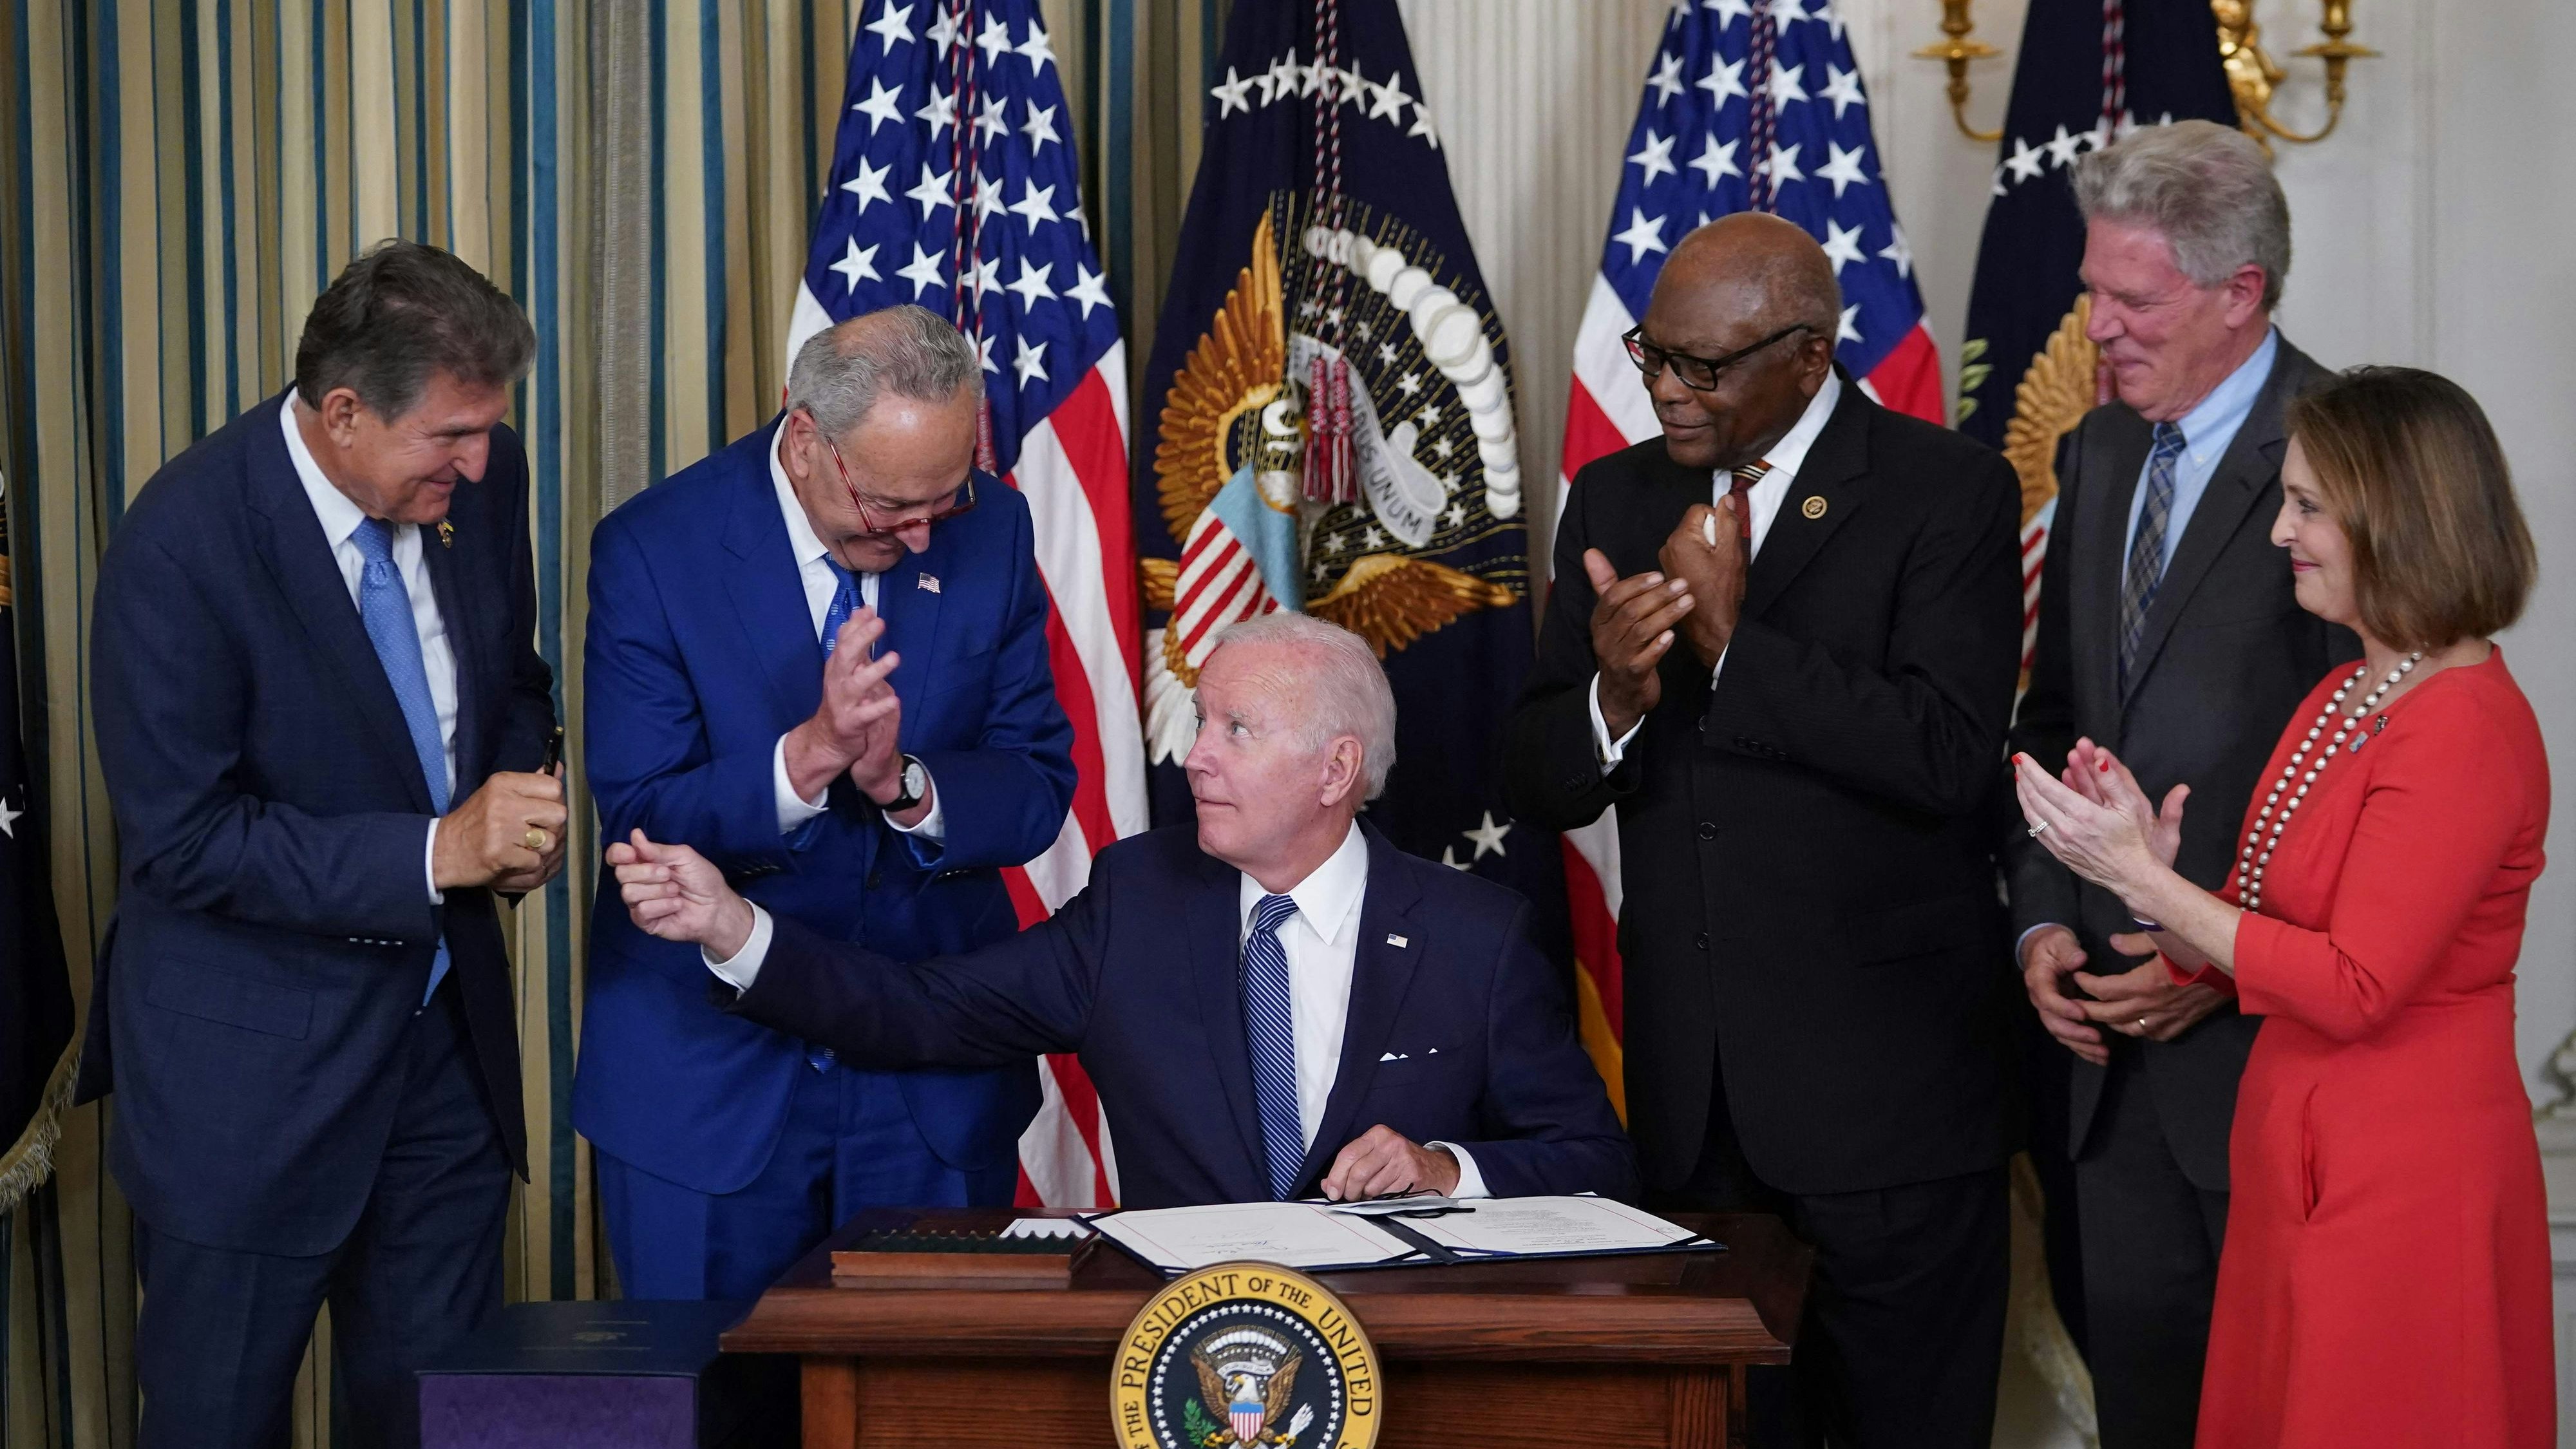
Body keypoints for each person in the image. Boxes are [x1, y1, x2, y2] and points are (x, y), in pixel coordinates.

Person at [1499, 213, 2023, 1448]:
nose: (1670, 391)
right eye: (1653, 355)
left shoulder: (1946, 491)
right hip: (1698, 1117)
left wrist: (1737, 653)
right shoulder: (1619, 496)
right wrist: (1610, 700)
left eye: (1705, 366)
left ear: (1806, 354)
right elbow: (1533, 770)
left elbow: (1950, 757)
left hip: (1891, 1111)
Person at [609, 613, 1637, 1209]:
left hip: (1407, 1367)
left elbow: (1594, 1158)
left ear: (1337, 768)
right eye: (1201, 720)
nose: (1195, 754)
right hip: (1171, 1369)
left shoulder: (1473, 934)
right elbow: (920, 1010)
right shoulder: (1140, 900)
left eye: (1238, 728)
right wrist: (732, 930)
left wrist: (1441, 1166)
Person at [79, 240, 565, 1448]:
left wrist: (523, 789)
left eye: (488, 429)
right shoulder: (183, 540)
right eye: (450, 434)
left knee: (429, 1422)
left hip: (445, 1069)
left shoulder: (477, 488)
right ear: (342, 412)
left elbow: (513, 678)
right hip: (248, 1091)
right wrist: (440, 853)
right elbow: (182, 842)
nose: (481, 459)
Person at [2016, 366, 2551, 1448]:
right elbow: (2275, 928)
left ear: (2397, 516)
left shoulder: (2464, 727)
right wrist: (2167, 890)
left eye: (2308, 507)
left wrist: (2140, 879)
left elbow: (2353, 984)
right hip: (2294, 1159)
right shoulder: (2348, 689)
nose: (2281, 533)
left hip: (2401, 1181)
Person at [575, 306, 1075, 1300]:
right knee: (718, 1415)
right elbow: (641, 809)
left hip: (929, 1088)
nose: (926, 530)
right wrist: (806, 759)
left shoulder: (995, 529)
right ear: (806, 440)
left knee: (928, 1414)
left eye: (947, 497)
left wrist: (905, 783)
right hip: (711, 1082)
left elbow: (1036, 785)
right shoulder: (654, 548)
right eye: (892, 503)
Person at [2005, 120, 2359, 1449]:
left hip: (2266, 1057)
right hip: (2106, 1057)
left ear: (2239, 293)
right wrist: (2041, 923)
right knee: (2146, 1415)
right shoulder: (2096, 456)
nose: (2094, 326)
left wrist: (2210, 959)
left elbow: (2358, 764)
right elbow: (2048, 731)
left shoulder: (2344, 451)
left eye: (2129, 299)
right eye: (2091, 290)